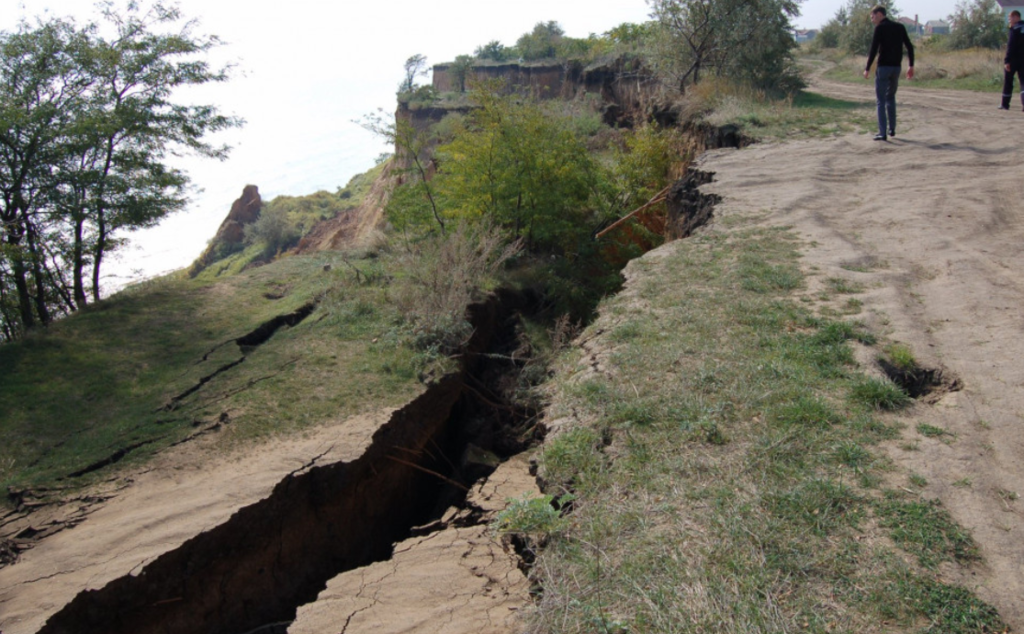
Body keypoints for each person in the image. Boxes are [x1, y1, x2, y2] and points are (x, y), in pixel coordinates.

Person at [863, 6, 915, 141]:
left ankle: (882, 132)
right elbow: (909, 46)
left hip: (883, 68)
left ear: (880, 14)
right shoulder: (900, 27)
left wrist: (867, 68)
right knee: (890, 97)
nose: (872, 20)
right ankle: (892, 128)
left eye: (873, 17)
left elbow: (874, 49)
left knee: (880, 100)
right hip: (896, 68)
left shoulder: (880, 28)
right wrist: (911, 65)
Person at [1000, 10, 1024, 111]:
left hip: (1014, 60)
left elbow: (1011, 46)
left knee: (1008, 82)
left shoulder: (1015, 29)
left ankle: (1005, 104)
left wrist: (1007, 61)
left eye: (1011, 17)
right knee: (1023, 82)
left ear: (1016, 17)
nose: (1009, 20)